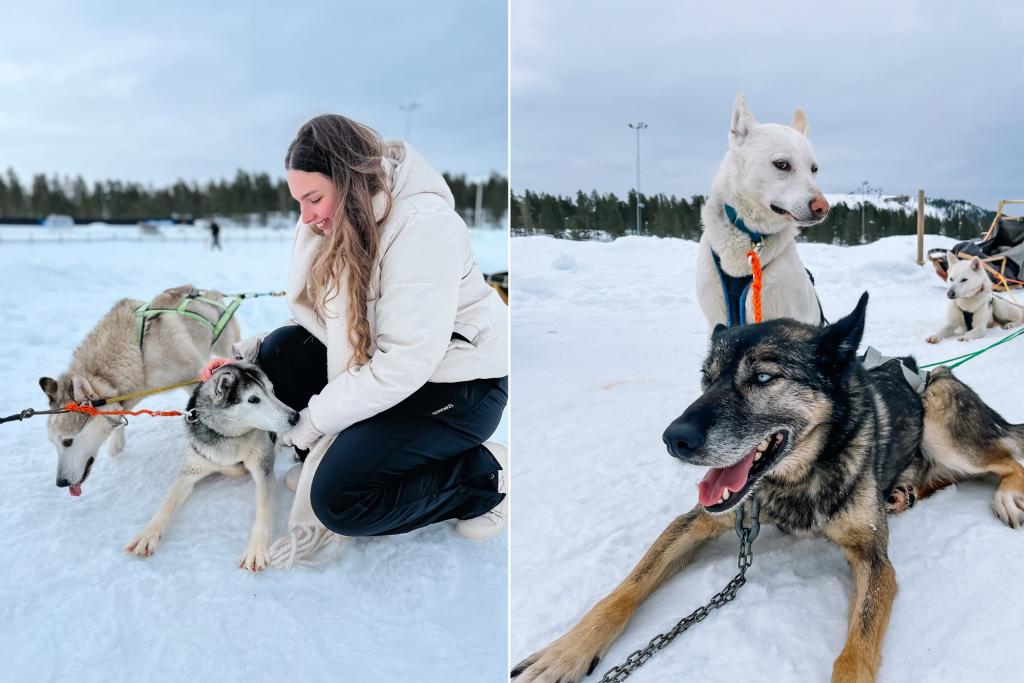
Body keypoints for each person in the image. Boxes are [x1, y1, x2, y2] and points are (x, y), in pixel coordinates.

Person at [201, 114, 508, 563]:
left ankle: (484, 477)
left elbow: (403, 362)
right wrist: (244, 362)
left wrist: (316, 420)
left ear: (349, 181)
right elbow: (334, 322)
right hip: (391, 367)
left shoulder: (423, 226)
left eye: (313, 199)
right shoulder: (346, 220)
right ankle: (335, 453)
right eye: (298, 202)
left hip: (456, 385)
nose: (305, 218)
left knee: (340, 501)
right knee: (278, 353)